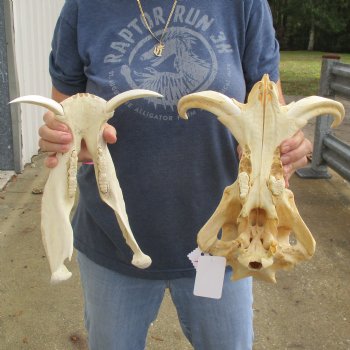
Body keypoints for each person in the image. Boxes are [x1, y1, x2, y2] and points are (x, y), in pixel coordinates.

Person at [39, 0, 312, 349]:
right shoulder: (84, 6)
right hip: (113, 241)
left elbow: (268, 108)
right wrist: (65, 139)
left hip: (221, 243)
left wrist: (282, 146)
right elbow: (65, 113)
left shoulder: (243, 5)